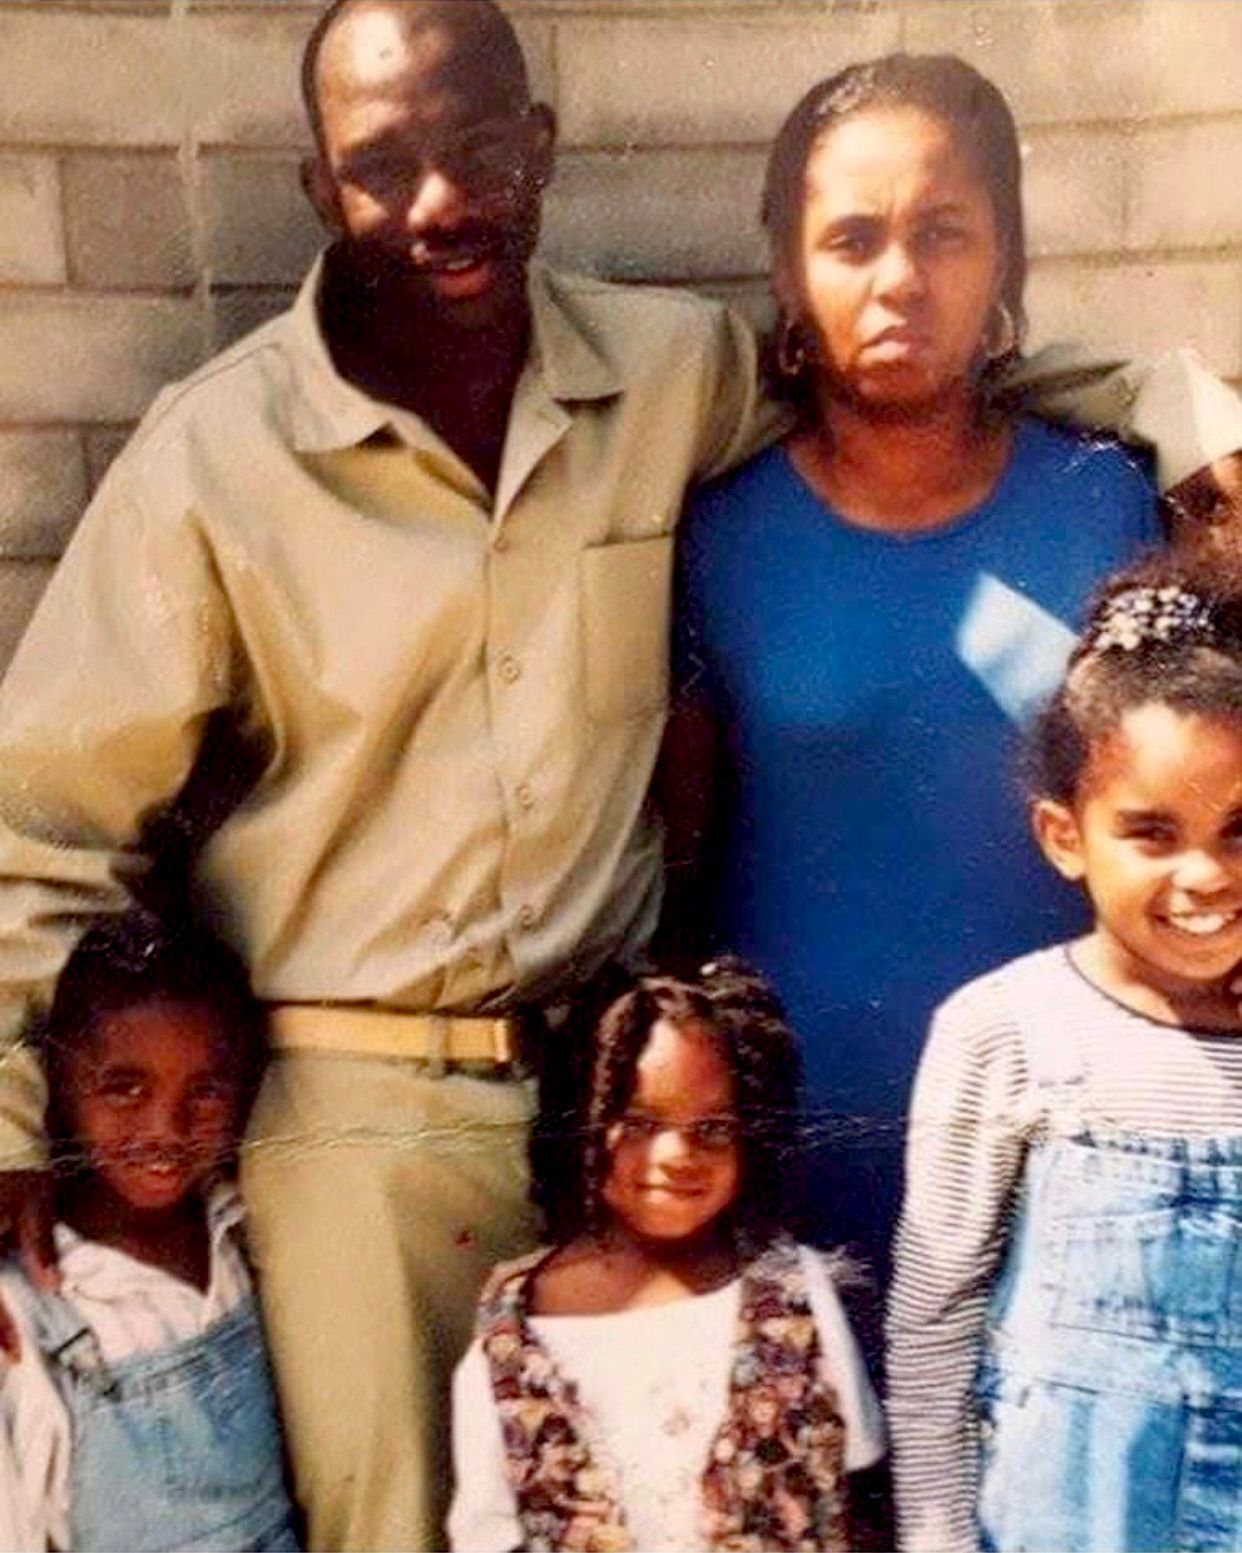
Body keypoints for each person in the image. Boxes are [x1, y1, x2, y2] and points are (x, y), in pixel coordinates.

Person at [0, 6, 1237, 1548]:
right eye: (380, 166)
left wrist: (1177, 407)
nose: (438, 198)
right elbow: (40, 816)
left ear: (540, 149)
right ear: (321, 191)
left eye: (471, 146)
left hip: (632, 1102)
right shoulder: (217, 458)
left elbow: (895, 359)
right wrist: (10, 1125)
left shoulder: (668, 374)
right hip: (365, 1126)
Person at [668, 52, 1185, 1278]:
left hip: (1066, 1144)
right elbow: (677, 864)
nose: (899, 278)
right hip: (791, 1152)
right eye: (851, 239)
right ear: (789, 270)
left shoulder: (1107, 502)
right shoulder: (719, 530)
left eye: (942, 233)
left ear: (1002, 257)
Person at [887, 551, 1242, 1553]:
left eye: (1240, 829)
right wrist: (937, 1534)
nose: (1204, 875)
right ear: (1065, 834)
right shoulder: (1006, 1029)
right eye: (1152, 831)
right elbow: (934, 1315)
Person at [448, 958, 888, 1553]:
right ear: (582, 1120)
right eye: (639, 1123)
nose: (678, 1153)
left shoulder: (794, 1294)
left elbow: (856, 1496)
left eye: (712, 1128)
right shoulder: (512, 1337)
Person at [0, 908, 298, 1553]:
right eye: (125, 1089)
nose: (167, 1127)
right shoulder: (34, 1312)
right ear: (58, 1082)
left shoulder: (242, 1234)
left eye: (206, 1092)